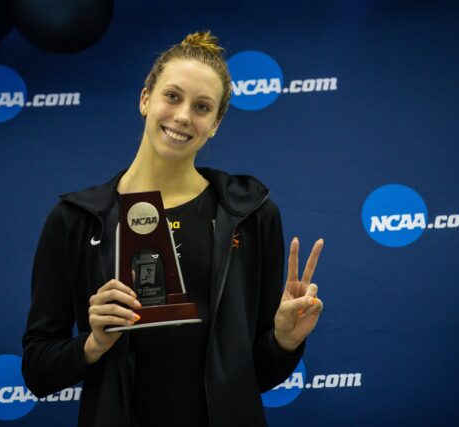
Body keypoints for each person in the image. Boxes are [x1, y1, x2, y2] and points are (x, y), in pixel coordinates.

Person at [22, 30, 324, 427]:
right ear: (145, 98)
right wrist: (93, 343)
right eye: (173, 96)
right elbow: (38, 370)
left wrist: (285, 341)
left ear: (216, 123)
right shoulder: (76, 219)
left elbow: (258, 376)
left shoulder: (250, 214)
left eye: (202, 107)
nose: (183, 116)